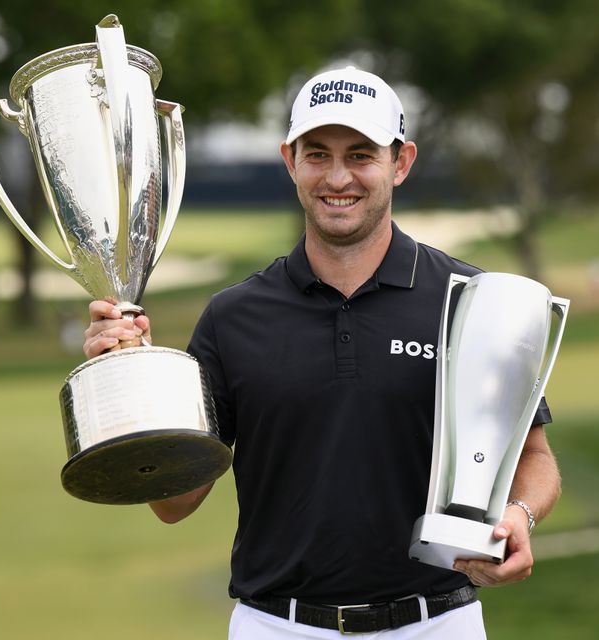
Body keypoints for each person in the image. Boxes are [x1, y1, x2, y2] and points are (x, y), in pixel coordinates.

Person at [83, 66, 561, 639]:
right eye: (318, 154)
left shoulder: (471, 302)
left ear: (401, 162)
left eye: (361, 155)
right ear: (290, 160)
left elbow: (535, 456)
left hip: (436, 625)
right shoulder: (233, 318)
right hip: (276, 626)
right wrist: (130, 383)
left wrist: (519, 515)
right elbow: (174, 503)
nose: (338, 177)